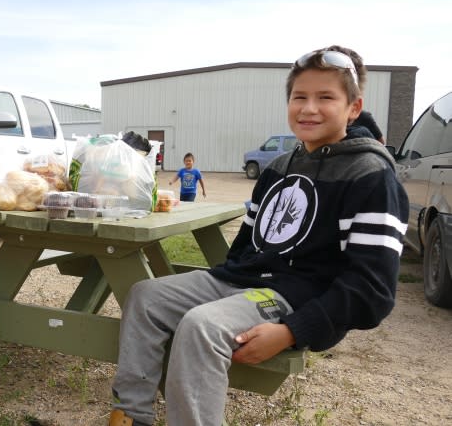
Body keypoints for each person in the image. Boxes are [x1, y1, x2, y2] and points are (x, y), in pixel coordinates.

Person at [108, 45, 409, 426]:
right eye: (299, 96)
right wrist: (223, 280)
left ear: (353, 107)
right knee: (146, 295)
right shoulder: (279, 167)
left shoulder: (371, 175)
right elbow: (247, 245)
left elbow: (373, 290)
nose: (309, 108)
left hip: (293, 295)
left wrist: (292, 331)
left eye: (325, 97)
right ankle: (133, 415)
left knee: (202, 326)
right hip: (242, 281)